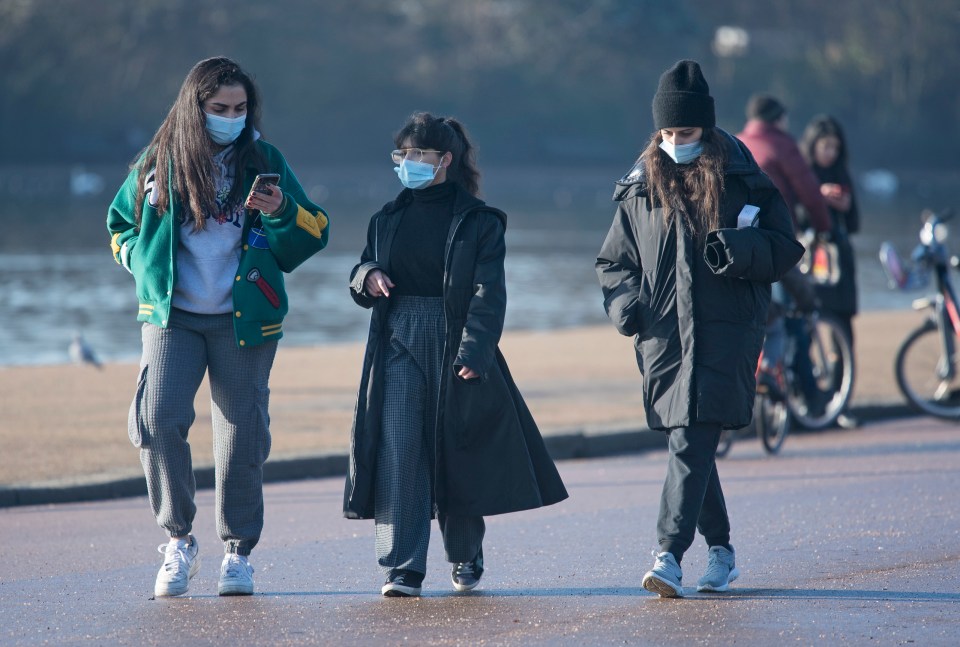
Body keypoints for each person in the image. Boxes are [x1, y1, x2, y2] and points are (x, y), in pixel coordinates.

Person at [106, 56, 330, 597]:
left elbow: (314, 232)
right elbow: (118, 227)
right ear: (195, 107)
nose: (231, 118)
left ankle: (238, 551)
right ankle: (178, 541)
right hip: (171, 316)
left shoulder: (265, 159)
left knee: (241, 436)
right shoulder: (158, 160)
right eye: (219, 109)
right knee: (157, 419)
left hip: (243, 320)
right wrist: (142, 260)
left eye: (240, 108)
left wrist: (279, 212)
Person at [596, 60, 803, 598]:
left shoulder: (746, 179)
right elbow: (613, 264)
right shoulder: (639, 187)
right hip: (662, 338)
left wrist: (737, 249)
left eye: (683, 132)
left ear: (705, 129)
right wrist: (626, 309)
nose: (673, 142)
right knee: (690, 445)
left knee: (691, 441)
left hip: (727, 333)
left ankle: (667, 557)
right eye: (665, 132)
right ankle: (723, 553)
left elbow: (786, 248)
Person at [345, 112, 568, 598]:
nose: (409, 163)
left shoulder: (479, 221)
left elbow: (490, 293)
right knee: (400, 450)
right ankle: (402, 567)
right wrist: (367, 276)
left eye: (419, 155)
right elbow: (361, 268)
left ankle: (466, 552)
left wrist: (475, 349)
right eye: (402, 155)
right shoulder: (386, 217)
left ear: (445, 159)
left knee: (456, 451)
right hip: (398, 339)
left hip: (458, 341)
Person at [737, 94, 832, 417]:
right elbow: (809, 192)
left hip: (738, 242)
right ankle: (795, 386)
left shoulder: (735, 143)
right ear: (779, 118)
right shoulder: (782, 144)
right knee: (788, 314)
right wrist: (823, 227)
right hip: (777, 238)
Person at [800, 115, 860, 428]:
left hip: (840, 266)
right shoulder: (802, 174)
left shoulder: (842, 174)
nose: (830, 153)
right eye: (825, 146)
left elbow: (854, 225)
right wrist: (816, 199)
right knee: (804, 332)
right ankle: (808, 400)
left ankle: (842, 403)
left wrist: (844, 205)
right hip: (810, 263)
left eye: (835, 147)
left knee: (843, 336)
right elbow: (794, 217)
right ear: (813, 146)